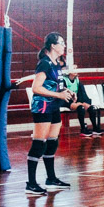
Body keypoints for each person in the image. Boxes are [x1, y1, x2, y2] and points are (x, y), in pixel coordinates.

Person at [26, 33, 75, 195]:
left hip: (54, 106)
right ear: (53, 45)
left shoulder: (56, 63)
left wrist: (66, 91)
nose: (64, 45)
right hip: (42, 107)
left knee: (52, 142)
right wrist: (59, 95)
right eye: (62, 43)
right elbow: (36, 88)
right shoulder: (44, 63)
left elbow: (55, 85)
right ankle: (31, 184)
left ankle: (51, 179)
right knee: (39, 143)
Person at [61, 65, 104, 137]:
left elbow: (82, 93)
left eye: (76, 68)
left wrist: (82, 101)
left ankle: (95, 128)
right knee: (81, 108)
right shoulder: (64, 80)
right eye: (73, 69)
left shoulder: (77, 80)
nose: (75, 70)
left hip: (76, 99)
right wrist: (75, 101)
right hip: (66, 100)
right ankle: (83, 129)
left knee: (91, 108)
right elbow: (62, 92)